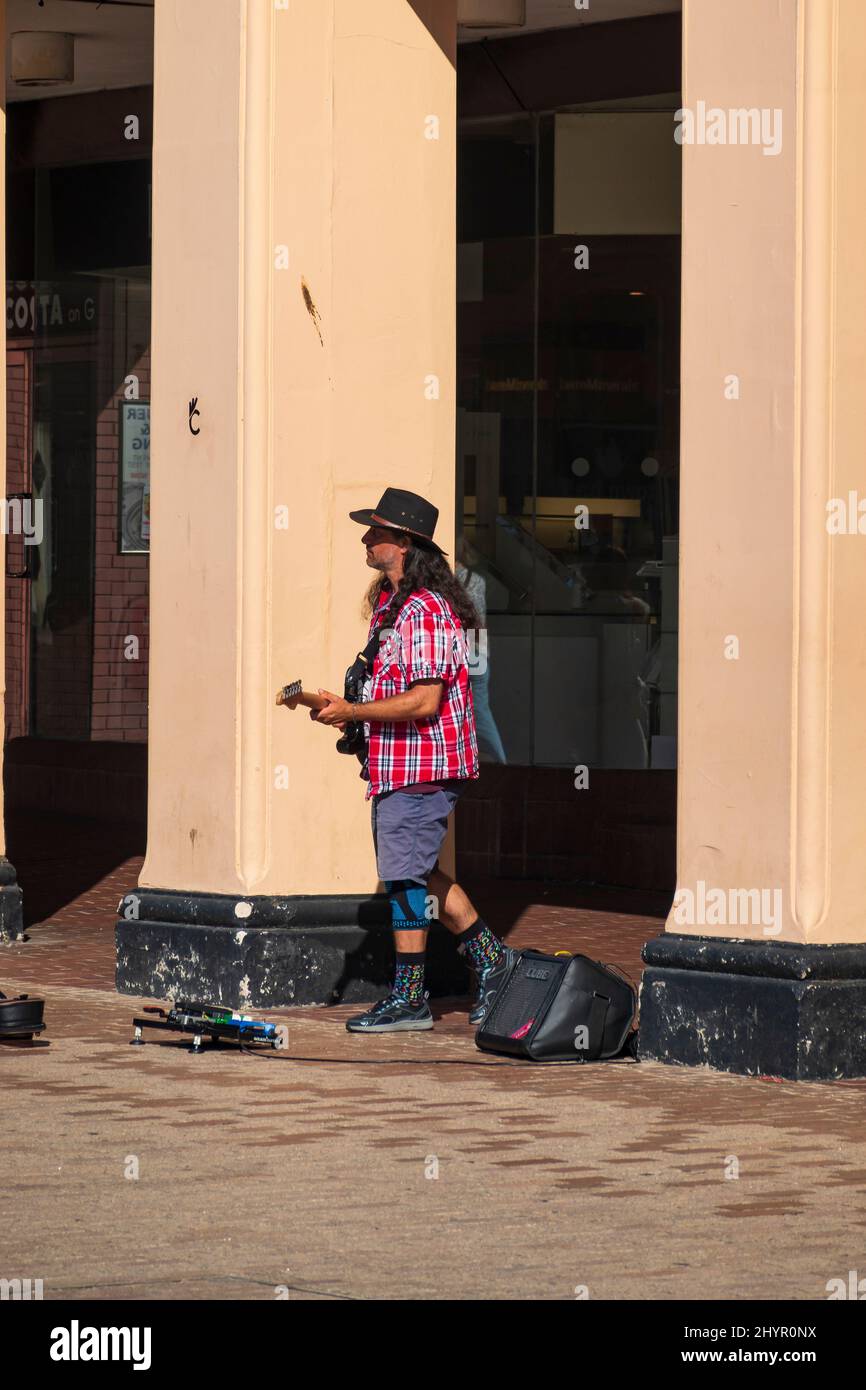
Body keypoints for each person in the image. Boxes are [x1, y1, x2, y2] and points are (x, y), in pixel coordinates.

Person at [311, 487, 516, 1033]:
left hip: (424, 765)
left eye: (375, 532)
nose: (366, 539)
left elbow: (426, 700)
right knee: (417, 875)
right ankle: (494, 963)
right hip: (399, 765)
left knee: (405, 880)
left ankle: (411, 997)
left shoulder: (425, 610)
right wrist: (346, 709)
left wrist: (355, 708)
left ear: (403, 543)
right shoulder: (392, 607)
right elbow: (395, 686)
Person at [455, 537, 507, 764]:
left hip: (454, 651)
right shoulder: (475, 580)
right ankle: (500, 760)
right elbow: (479, 622)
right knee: (481, 712)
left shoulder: (440, 581)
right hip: (477, 650)